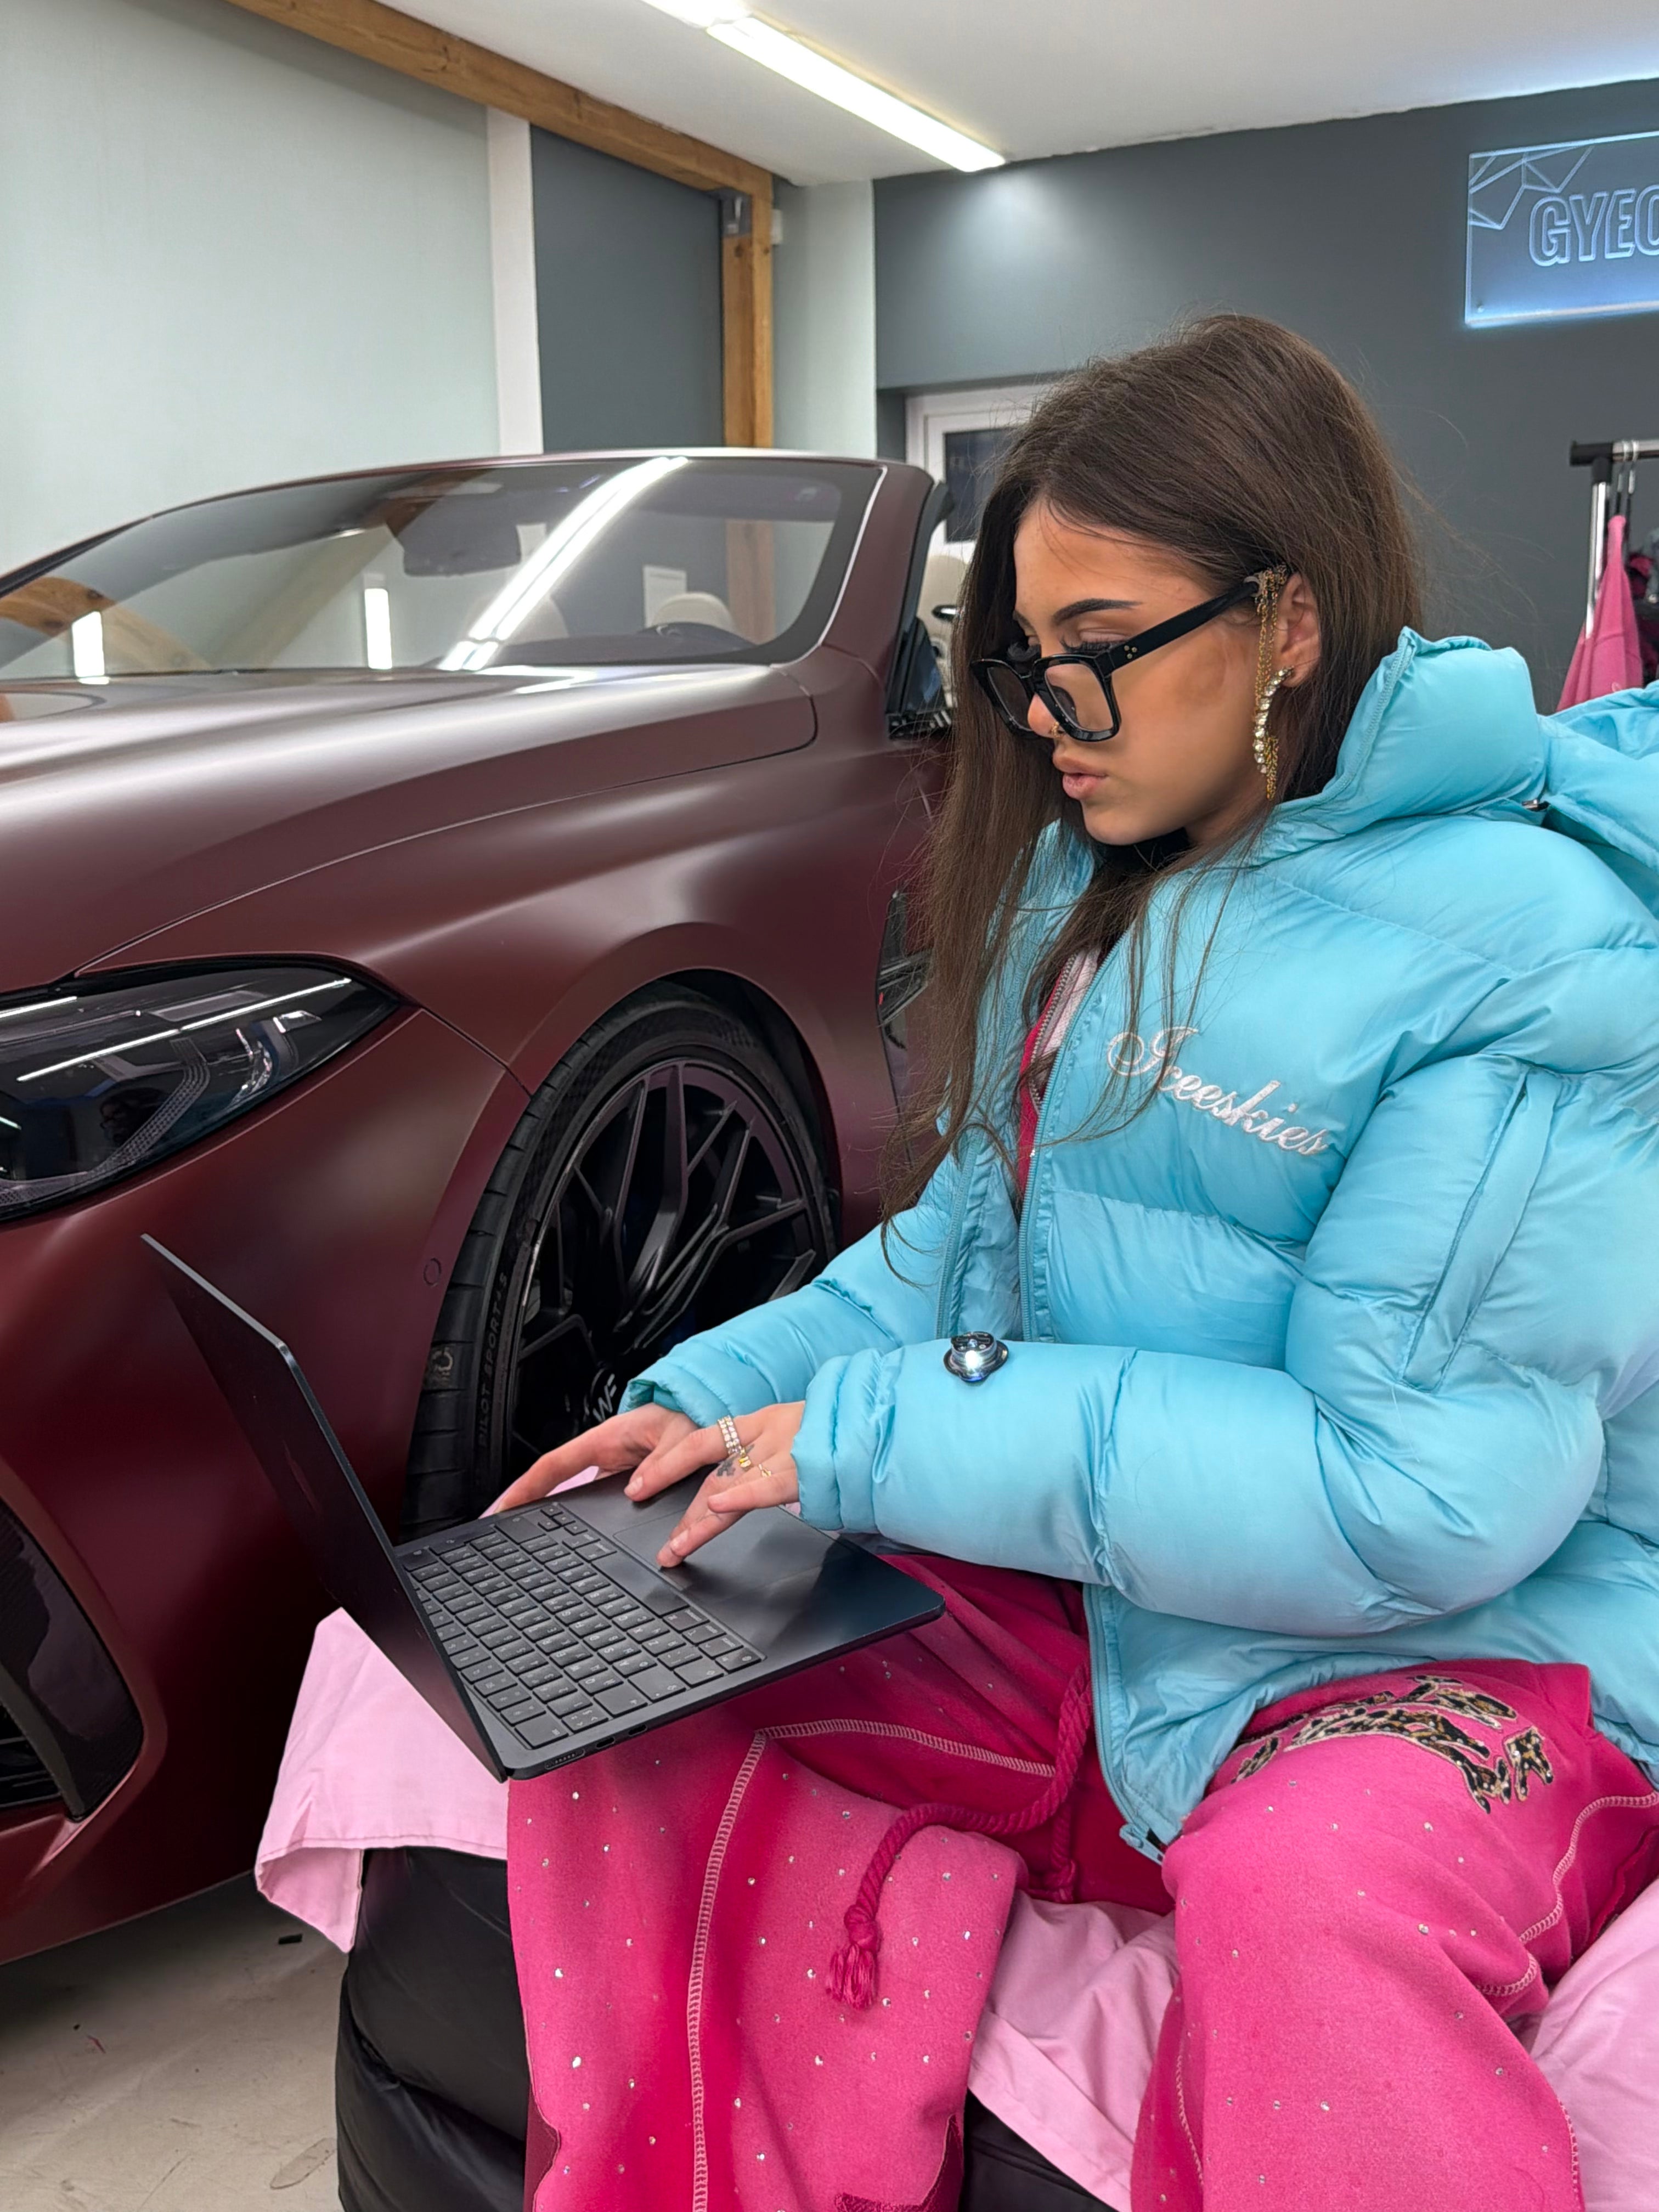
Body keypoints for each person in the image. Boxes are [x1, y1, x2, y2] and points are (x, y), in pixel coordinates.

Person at [493, 314, 1659, 2211]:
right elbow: (955, 1258)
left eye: (1100, 653)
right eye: (1025, 663)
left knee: (1315, 1908)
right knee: (639, 1664)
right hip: (1117, 1610)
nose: (1047, 716)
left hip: (1467, 1653)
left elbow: (1420, 1500)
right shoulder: (1103, 882)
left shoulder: (1540, 954)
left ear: (1286, 621)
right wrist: (693, 1410)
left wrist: (873, 1435)